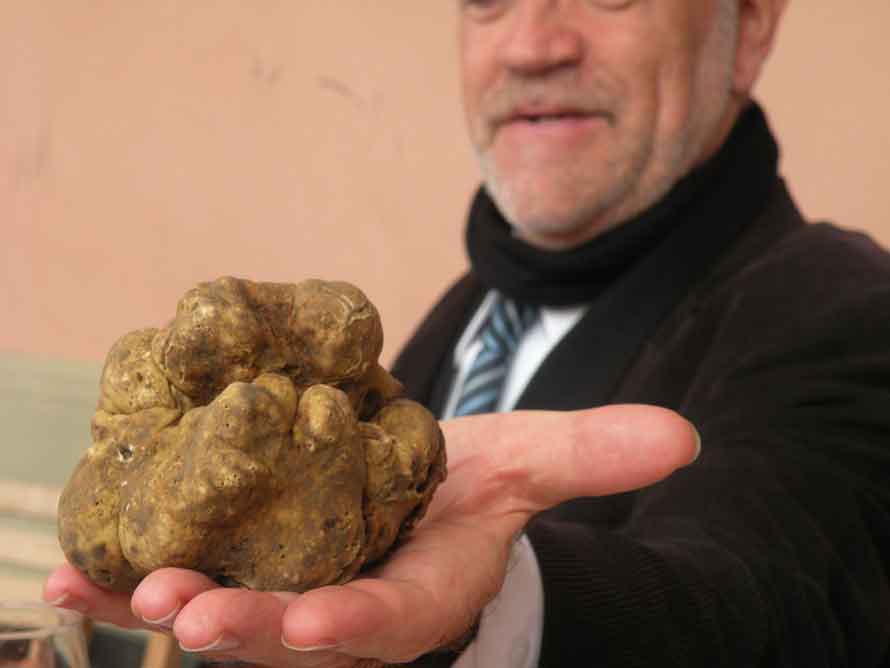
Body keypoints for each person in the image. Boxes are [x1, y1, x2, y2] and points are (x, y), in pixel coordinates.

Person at [45, 0, 890, 666]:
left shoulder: (847, 310)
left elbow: (768, 610)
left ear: (751, 25)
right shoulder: (465, 312)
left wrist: (497, 600)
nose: (530, 44)